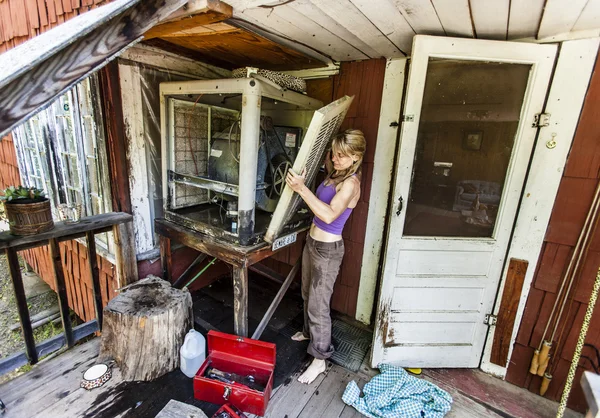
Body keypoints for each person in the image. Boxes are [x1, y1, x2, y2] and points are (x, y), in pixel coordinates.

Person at [285, 129, 366, 384]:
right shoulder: (334, 174)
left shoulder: (351, 182)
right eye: (334, 153)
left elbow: (329, 215)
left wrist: (301, 190)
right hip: (312, 243)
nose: (335, 158)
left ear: (356, 157)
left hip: (327, 251)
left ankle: (320, 359)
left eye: (343, 155)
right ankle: (310, 334)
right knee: (308, 294)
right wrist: (305, 182)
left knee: (319, 306)